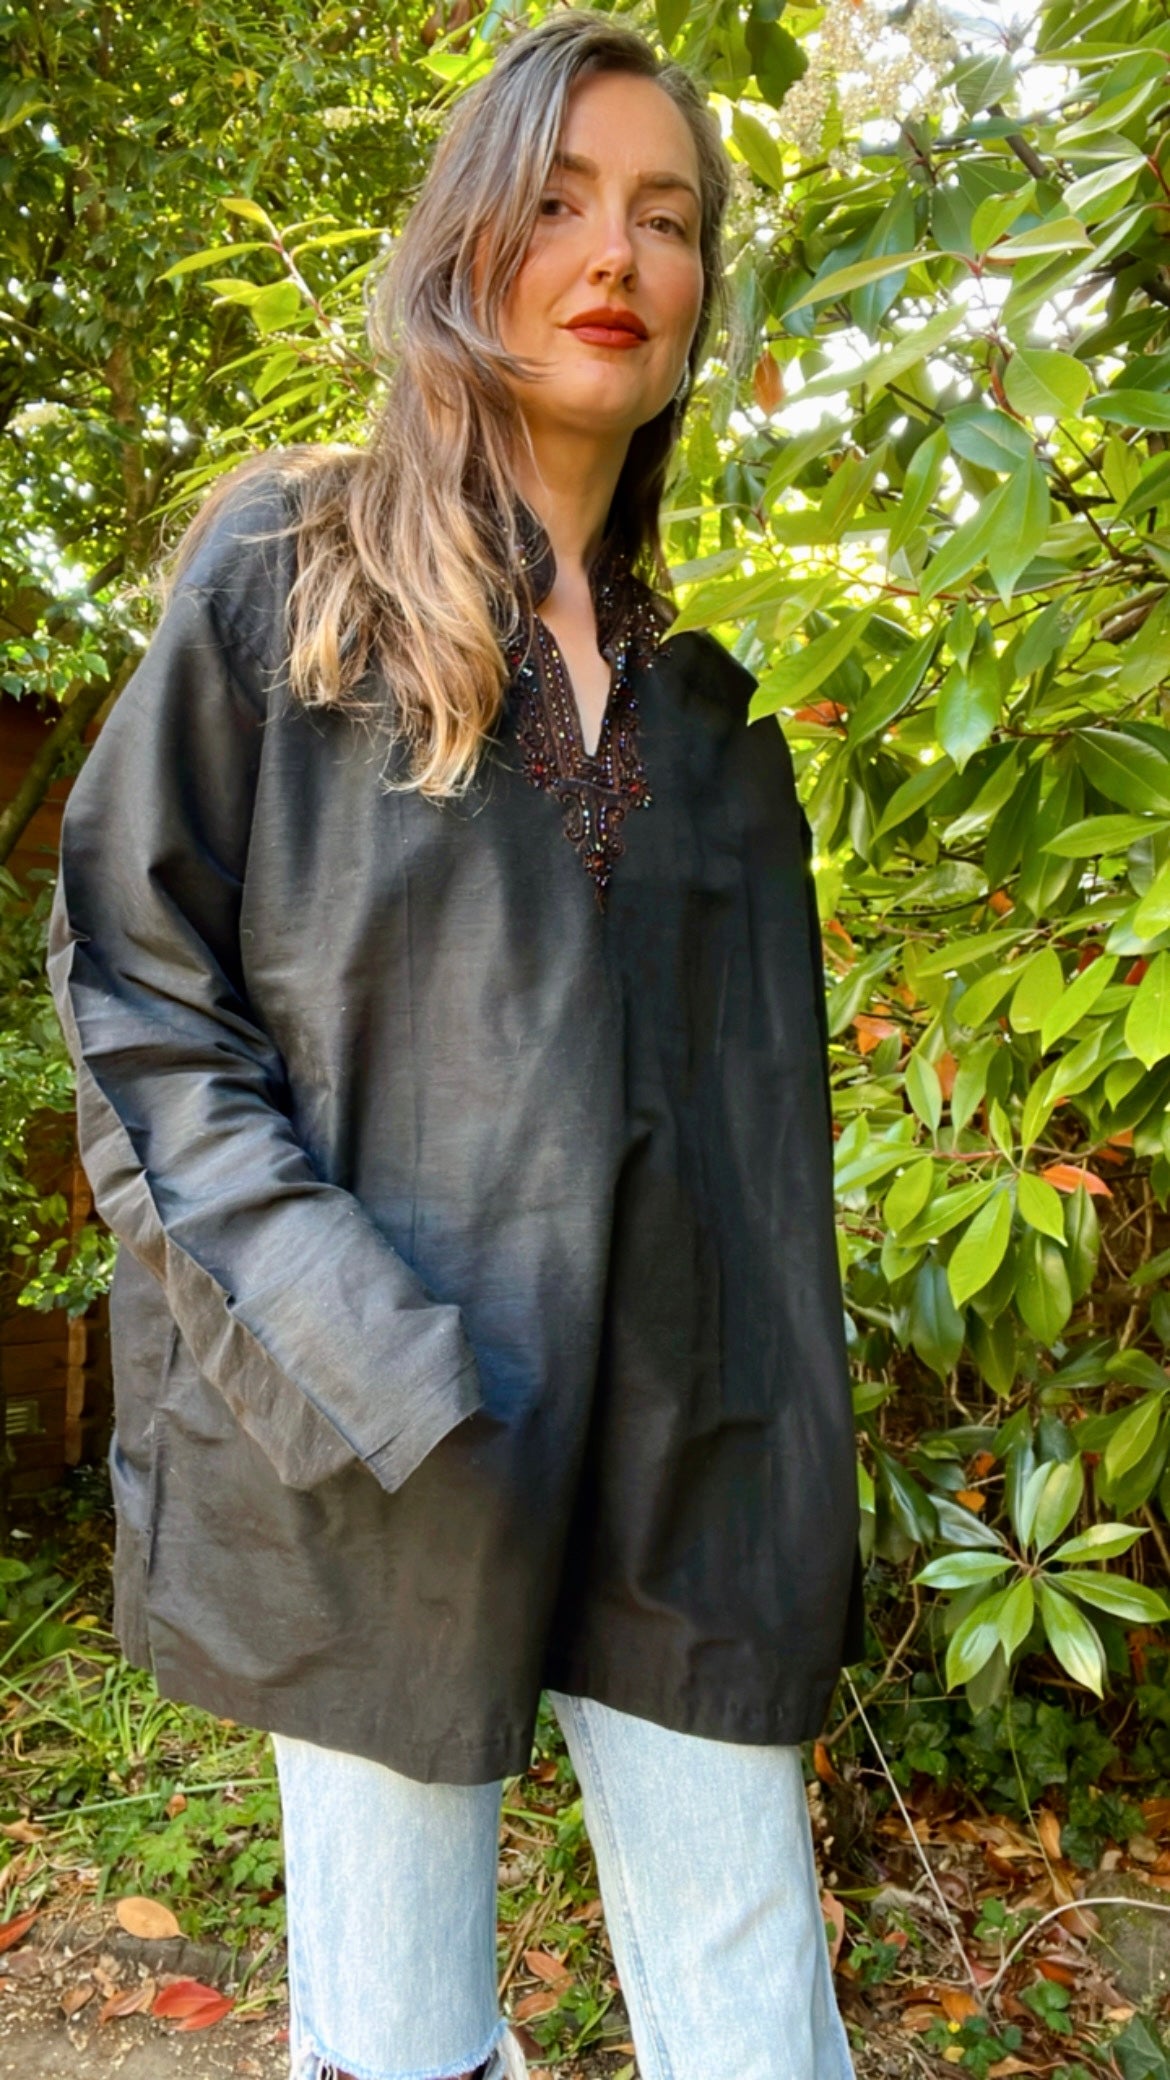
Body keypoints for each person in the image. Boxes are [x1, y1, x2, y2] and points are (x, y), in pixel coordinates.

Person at [48, 11, 864, 2079]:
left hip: (687, 1462)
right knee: (400, 2039)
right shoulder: (292, 582)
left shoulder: (714, 720)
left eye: (666, 216)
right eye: (561, 199)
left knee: (757, 2017)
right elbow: (141, 994)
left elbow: (759, 1158)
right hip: (389, 1433)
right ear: (462, 245)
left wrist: (780, 1469)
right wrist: (358, 1348)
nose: (617, 254)